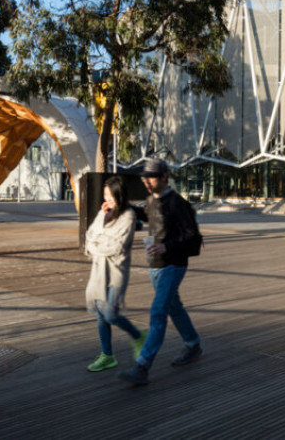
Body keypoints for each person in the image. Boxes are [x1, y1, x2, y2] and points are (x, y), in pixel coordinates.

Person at [119, 158, 202, 386]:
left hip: (173, 264)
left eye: (152, 177)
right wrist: (119, 205)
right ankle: (193, 343)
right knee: (173, 307)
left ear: (165, 177)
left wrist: (167, 246)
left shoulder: (178, 203)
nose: (146, 181)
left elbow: (191, 235)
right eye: (145, 177)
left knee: (158, 312)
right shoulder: (151, 200)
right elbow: (145, 214)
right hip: (155, 264)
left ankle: (142, 365)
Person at [83, 176, 145, 372]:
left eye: (110, 197)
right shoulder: (104, 214)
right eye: (105, 196)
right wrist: (101, 222)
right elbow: (90, 235)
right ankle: (107, 355)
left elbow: (117, 246)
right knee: (100, 316)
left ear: (120, 196)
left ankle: (138, 336)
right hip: (99, 271)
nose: (106, 201)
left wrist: (96, 243)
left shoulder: (128, 216)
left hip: (116, 272)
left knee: (109, 313)